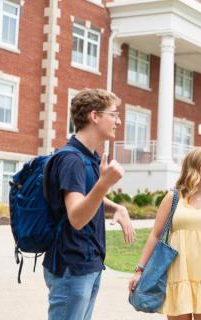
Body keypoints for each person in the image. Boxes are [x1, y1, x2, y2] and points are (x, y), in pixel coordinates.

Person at [43, 88, 136, 320]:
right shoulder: (71, 159)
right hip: (71, 267)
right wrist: (104, 183)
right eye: (114, 114)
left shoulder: (89, 157)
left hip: (87, 264)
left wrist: (116, 207)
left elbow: (86, 196)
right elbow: (76, 216)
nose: (118, 120)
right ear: (94, 116)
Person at [129, 147, 201, 320]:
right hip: (179, 274)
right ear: (192, 165)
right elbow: (155, 235)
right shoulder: (174, 196)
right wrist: (139, 270)